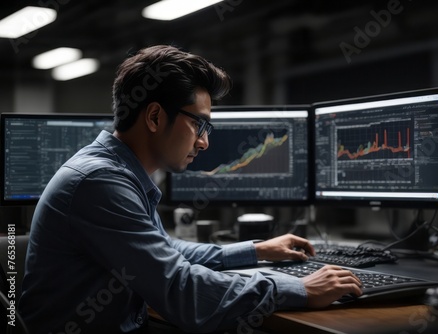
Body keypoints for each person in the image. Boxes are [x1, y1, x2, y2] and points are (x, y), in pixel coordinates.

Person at [18, 45, 362, 333]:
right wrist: (299, 287)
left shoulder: (116, 169)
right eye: (199, 124)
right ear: (154, 117)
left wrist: (257, 250)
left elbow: (164, 251)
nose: (205, 142)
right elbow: (181, 291)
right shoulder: (100, 182)